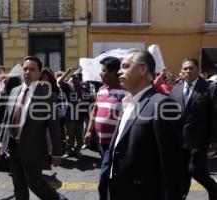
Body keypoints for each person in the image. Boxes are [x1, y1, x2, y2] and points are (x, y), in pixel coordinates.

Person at [107, 49, 184, 200]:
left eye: (125, 66)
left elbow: (172, 165)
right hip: (119, 189)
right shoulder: (128, 102)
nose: (119, 72)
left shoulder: (162, 104)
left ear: (143, 69)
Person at [0, 56, 66, 200]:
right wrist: (0, 142)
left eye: (32, 69)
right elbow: (6, 119)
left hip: (33, 149)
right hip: (13, 147)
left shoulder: (47, 95)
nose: (28, 72)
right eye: (25, 69)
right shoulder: (14, 91)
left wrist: (57, 152)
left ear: (39, 73)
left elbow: (54, 127)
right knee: (18, 185)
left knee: (35, 184)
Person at [170, 58, 217, 200]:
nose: (188, 71)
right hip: (179, 141)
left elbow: (215, 116)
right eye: (185, 69)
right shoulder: (176, 88)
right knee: (182, 173)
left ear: (198, 70)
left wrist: (214, 140)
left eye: (191, 68)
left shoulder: (210, 88)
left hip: (199, 140)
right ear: (181, 71)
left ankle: (214, 189)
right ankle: (181, 196)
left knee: (195, 170)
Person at [84, 56, 127, 200]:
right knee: (110, 175)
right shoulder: (101, 90)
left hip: (115, 144)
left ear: (115, 72)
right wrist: (89, 131)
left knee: (104, 179)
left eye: (104, 71)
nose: (101, 74)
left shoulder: (127, 91)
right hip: (101, 143)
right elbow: (94, 112)